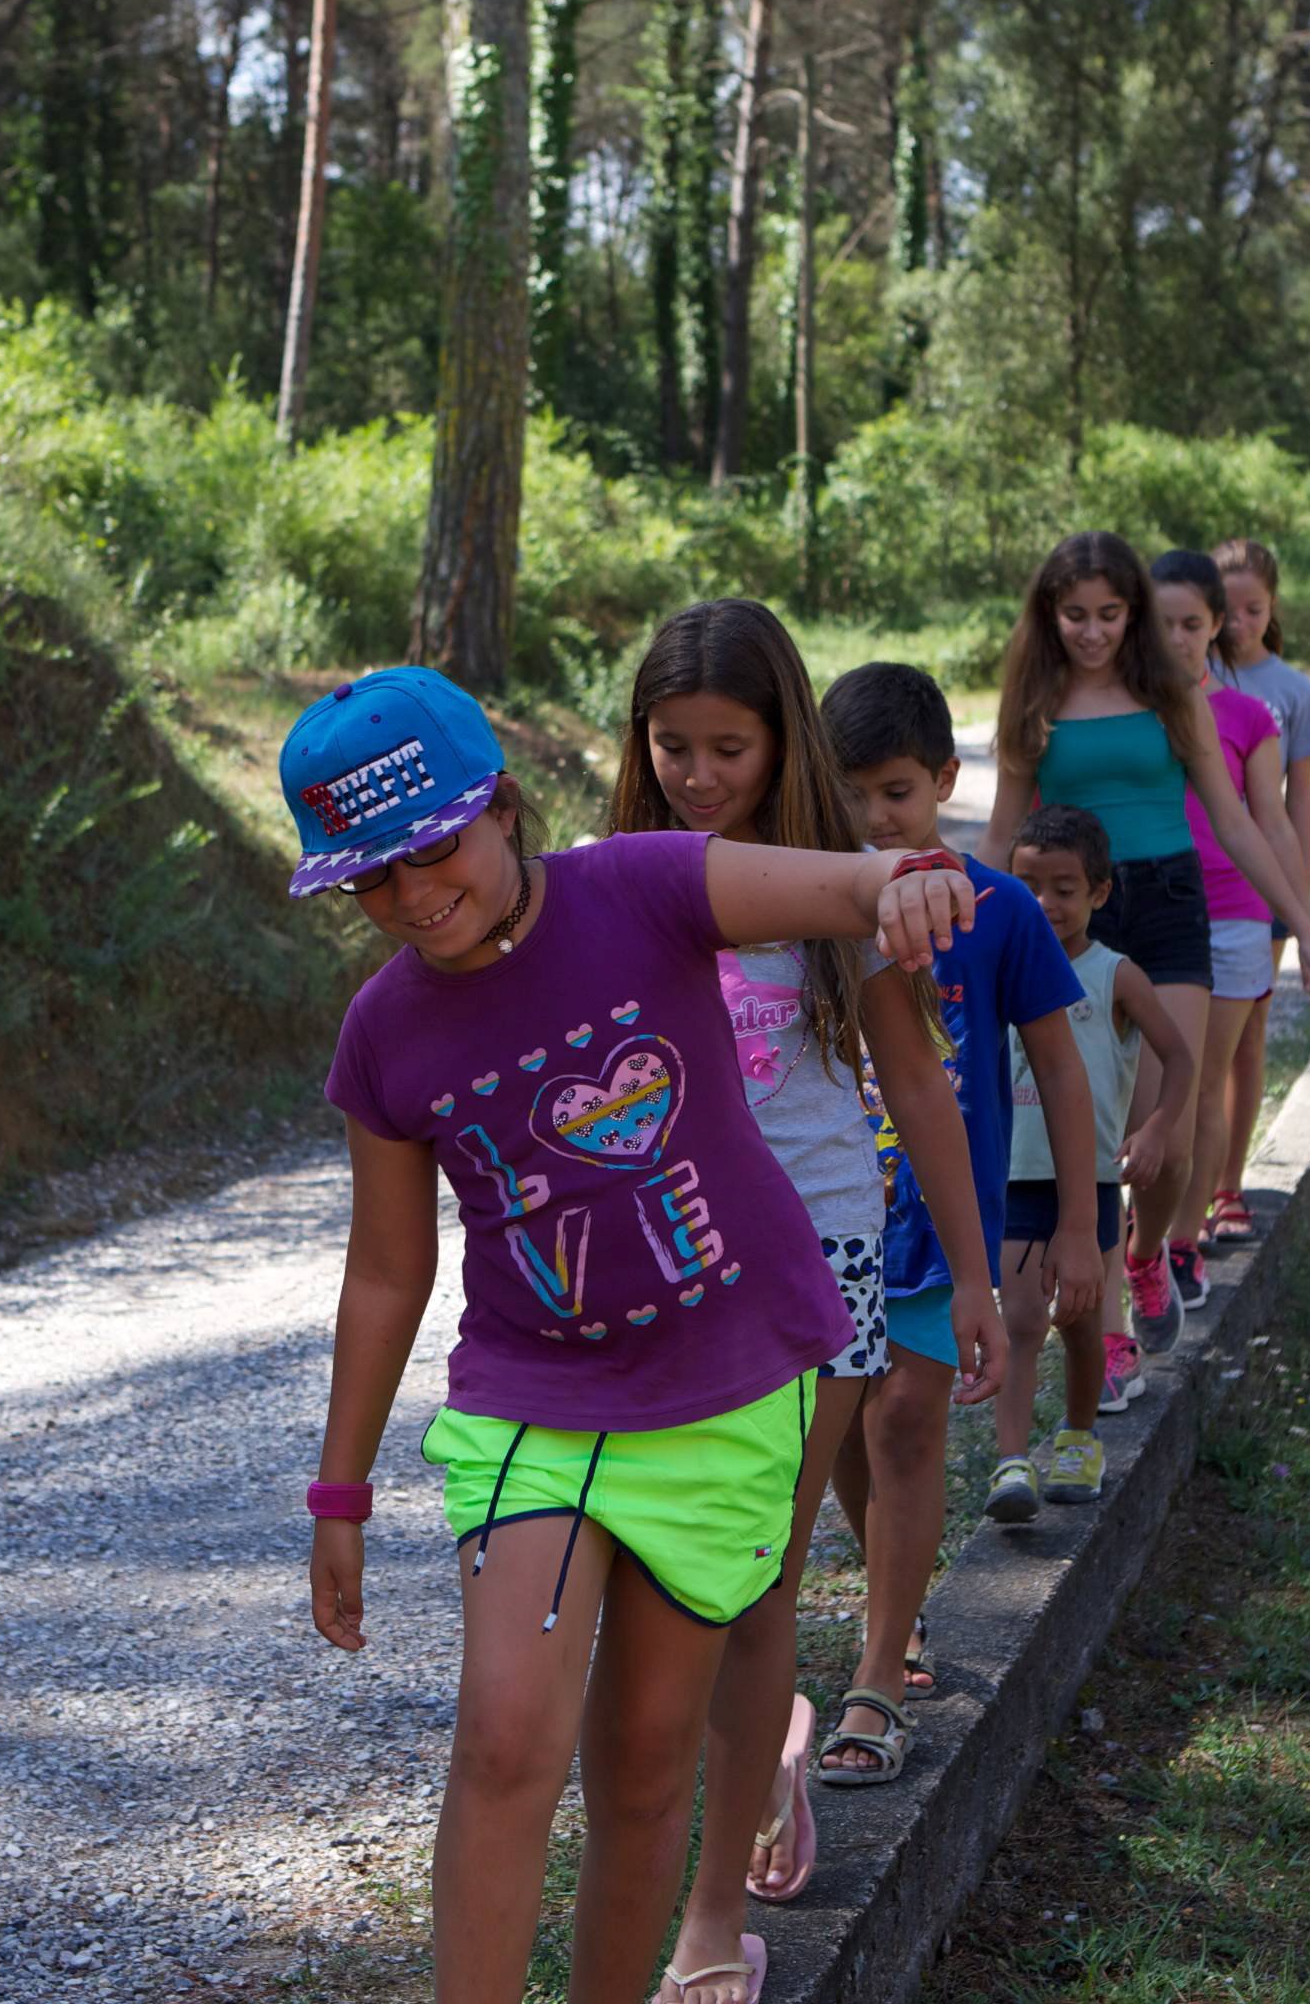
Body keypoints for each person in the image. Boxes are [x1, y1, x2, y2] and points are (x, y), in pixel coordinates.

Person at [296, 664, 981, 2004]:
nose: (416, 896)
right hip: (532, 1412)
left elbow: (839, 886)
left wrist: (900, 881)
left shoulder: (639, 886)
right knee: (502, 1738)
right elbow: (385, 1273)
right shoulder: (383, 1034)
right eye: (373, 881)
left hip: (730, 1392)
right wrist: (340, 1487)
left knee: (651, 1761)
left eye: (435, 850)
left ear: (498, 807)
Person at [609, 604, 1007, 2003]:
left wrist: (972, 1275)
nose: (700, 775)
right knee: (674, 1589)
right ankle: (762, 1740)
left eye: (729, 747)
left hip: (821, 1266)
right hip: (667, 1275)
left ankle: (711, 1922)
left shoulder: (844, 893)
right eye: (673, 748)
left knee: (751, 1577)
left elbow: (920, 1095)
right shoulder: (624, 883)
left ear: (783, 742)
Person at [980, 532, 1310, 1353]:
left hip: (1171, 903)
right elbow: (1005, 830)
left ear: (1133, 613)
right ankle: (1108, 1334)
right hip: (1070, 920)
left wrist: (1306, 928)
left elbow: (1236, 821)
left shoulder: (1172, 689)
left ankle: (1147, 1253)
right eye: (1074, 615)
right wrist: (957, 926)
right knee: (1102, 1131)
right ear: (1049, 615)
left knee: (1166, 1136)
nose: (1092, 632)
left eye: (1109, 614)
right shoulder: (1032, 701)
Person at [815, 662, 1097, 1698]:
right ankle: (900, 1601)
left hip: (940, 1226)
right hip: (827, 1222)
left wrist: (1076, 1225)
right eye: (850, 795)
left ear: (944, 777)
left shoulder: (1000, 909)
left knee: (903, 1419)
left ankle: (880, 1668)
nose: (874, 818)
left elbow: (1061, 1069)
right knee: (837, 1420)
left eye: (895, 791)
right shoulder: (810, 905)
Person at [996, 801, 1197, 1509]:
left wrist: (1155, 1131)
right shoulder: (1001, 969)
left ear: (1100, 893)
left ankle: (1079, 1436)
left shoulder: (1116, 975)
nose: (1044, 903)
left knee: (1078, 1322)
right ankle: (1012, 1462)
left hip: (1088, 1184)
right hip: (1016, 1180)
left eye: (1064, 888)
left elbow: (1178, 1057)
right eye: (1027, 886)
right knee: (1020, 1319)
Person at [1149, 547, 1297, 1306]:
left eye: (1192, 625)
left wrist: (1300, 921)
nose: (1176, 639)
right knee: (1146, 1094)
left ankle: (1181, 1244)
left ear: (1215, 628)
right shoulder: (1124, 711)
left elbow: (1267, 823)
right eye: (1161, 623)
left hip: (1235, 917)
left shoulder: (1249, 715)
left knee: (1204, 1084)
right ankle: (1142, 1241)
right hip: (1143, 915)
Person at [1205, 537, 1310, 1253]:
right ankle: (1176, 1184)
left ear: (1272, 608)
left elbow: (1297, 802)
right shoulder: (1188, 678)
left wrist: (1299, 894)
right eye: (1228, 609)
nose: (1238, 622)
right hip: (1199, 884)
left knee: (1247, 1035)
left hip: (1267, 884)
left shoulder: (1292, 691)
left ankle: (1228, 1185)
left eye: (1254, 609)